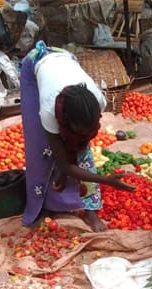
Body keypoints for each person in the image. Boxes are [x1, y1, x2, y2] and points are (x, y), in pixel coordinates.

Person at [19, 41, 134, 232]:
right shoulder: (49, 111)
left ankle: (90, 211)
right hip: (35, 65)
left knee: (85, 157)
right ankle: (42, 207)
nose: (85, 135)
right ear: (65, 121)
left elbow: (80, 149)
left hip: (63, 56)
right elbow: (64, 162)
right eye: (79, 131)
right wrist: (107, 181)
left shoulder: (97, 101)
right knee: (40, 150)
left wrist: (69, 169)